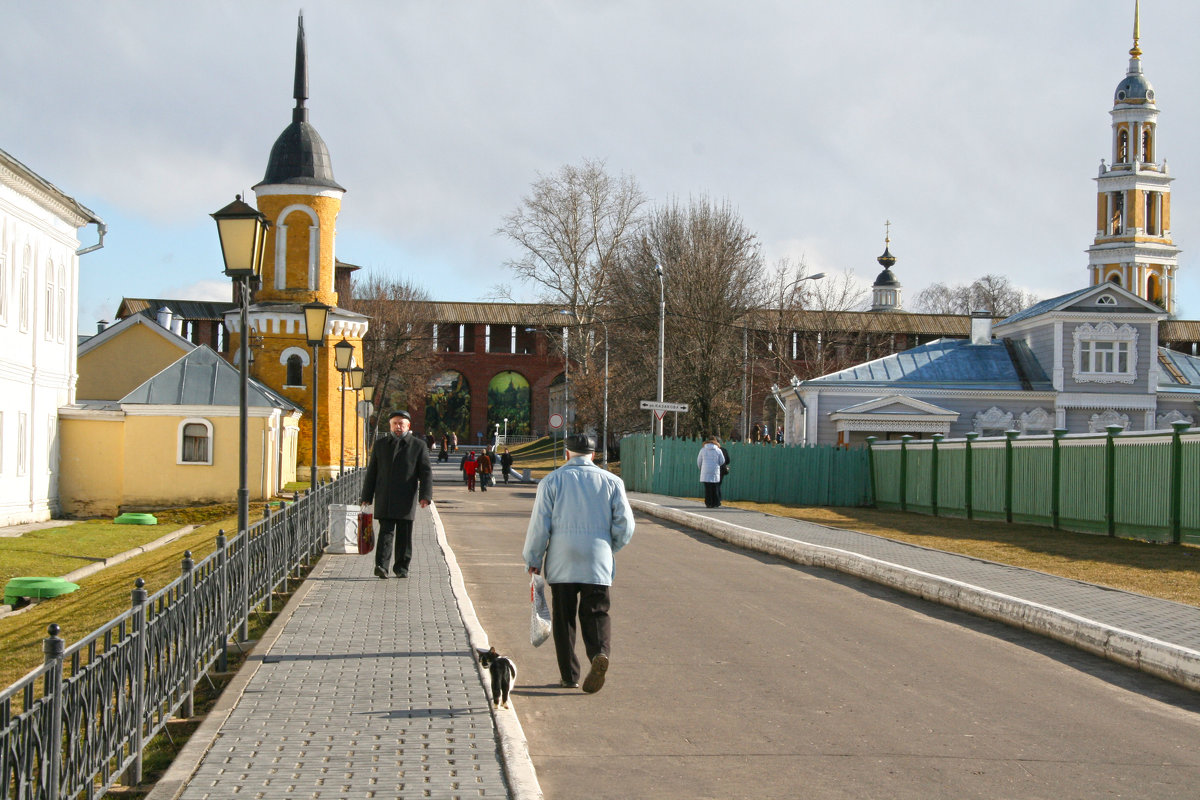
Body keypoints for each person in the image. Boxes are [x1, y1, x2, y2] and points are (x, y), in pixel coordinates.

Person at [522, 433, 635, 694]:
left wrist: (533, 559)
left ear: (566, 454)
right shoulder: (613, 482)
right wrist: (609, 547)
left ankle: (569, 675)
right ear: (594, 455)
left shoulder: (551, 481)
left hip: (562, 561)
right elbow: (625, 526)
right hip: (597, 560)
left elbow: (540, 526)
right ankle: (599, 654)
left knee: (564, 618)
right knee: (596, 612)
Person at [359, 410, 433, 579]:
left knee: (404, 535)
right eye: (394, 423)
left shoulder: (418, 445)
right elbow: (372, 473)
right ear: (390, 425)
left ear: (408, 426)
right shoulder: (381, 445)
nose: (398, 427)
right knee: (385, 532)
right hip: (385, 496)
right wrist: (366, 497)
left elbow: (426, 472)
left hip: (406, 497)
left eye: (401, 423)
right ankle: (381, 566)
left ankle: (401, 568)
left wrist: (425, 495)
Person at [697, 436, 726, 508]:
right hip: (714, 471)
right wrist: (717, 465)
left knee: (707, 488)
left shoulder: (703, 450)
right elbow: (722, 461)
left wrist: (701, 468)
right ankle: (715, 503)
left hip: (705, 471)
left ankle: (708, 503)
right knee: (715, 487)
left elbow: (699, 461)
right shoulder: (718, 450)